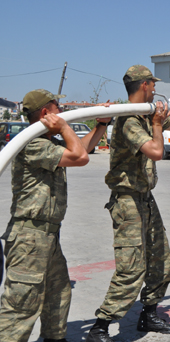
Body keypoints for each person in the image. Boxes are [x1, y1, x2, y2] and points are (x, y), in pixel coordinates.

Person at [86, 65, 170, 342]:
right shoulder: (130, 120)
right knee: (131, 267)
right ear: (144, 85)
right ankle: (100, 327)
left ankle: (148, 314)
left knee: (161, 260)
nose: (155, 88)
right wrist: (158, 124)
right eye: (152, 83)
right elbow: (156, 152)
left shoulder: (147, 114)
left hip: (146, 198)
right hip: (127, 201)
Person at [0, 89, 110, 342]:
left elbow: (81, 148)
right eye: (57, 108)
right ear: (46, 113)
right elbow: (80, 157)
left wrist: (101, 125)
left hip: (47, 237)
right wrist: (63, 127)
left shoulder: (47, 142)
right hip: (29, 238)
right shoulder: (33, 144)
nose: (62, 112)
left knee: (58, 296)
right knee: (21, 307)